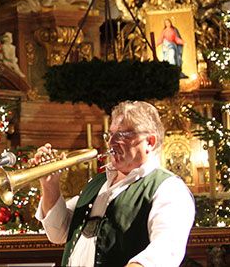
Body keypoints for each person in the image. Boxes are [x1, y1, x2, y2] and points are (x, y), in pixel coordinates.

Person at [34, 101, 195, 266]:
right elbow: (58, 233)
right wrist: (50, 185)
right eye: (110, 135)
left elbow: (165, 250)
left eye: (123, 135)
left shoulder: (169, 189)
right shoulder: (97, 183)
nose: (111, 142)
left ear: (150, 142)